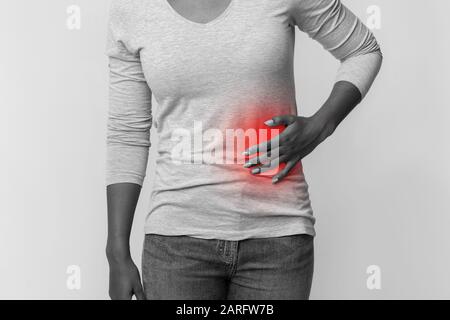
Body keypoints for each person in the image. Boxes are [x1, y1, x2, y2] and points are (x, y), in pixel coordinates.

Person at [105, 0, 382, 300]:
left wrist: (320, 126)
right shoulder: (132, 9)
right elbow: (127, 131)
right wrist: (116, 251)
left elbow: (362, 50)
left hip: (277, 238)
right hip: (177, 244)